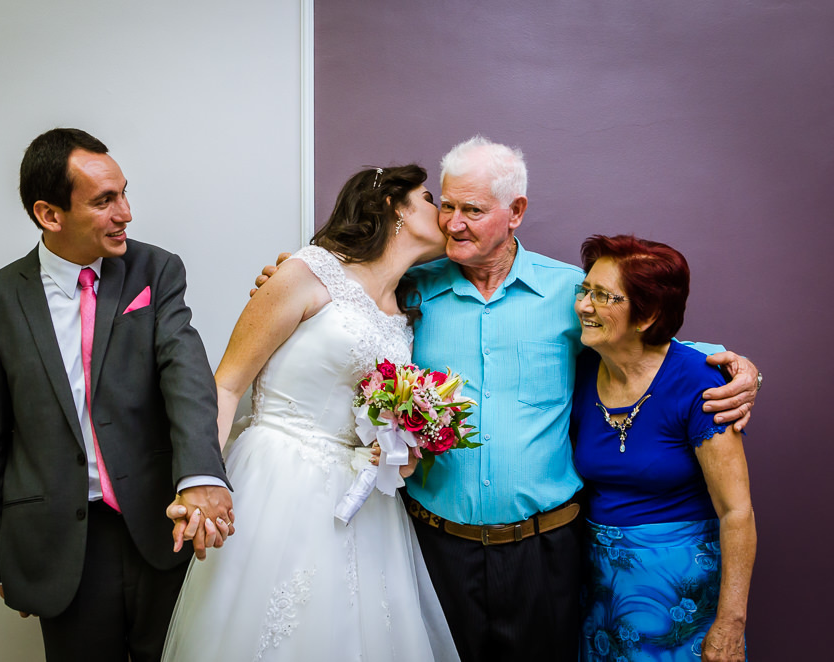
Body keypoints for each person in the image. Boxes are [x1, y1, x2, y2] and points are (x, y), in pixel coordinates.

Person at [252, 136, 759, 661]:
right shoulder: (409, 289)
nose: (452, 222)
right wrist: (286, 279)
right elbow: (342, 304)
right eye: (446, 205)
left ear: (515, 211)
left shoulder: (570, 293)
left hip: (547, 549)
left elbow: (641, 341)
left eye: (471, 210)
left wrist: (735, 365)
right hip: (434, 545)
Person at [0, 128, 233, 662]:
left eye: (124, 193)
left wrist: (200, 474)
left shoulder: (157, 270)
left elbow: (187, 377)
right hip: (61, 546)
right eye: (105, 201)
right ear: (49, 214)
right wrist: (2, 556)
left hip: (160, 527)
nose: (125, 212)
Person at [162, 165, 460, 661]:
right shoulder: (307, 271)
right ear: (394, 206)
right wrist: (198, 482)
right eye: (431, 199)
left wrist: (398, 448)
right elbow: (228, 385)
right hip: (280, 478)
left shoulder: (403, 308)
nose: (445, 214)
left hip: (365, 501)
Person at [571, 235, 754, 661]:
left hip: (682, 594)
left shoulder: (699, 383)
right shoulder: (582, 370)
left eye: (602, 296)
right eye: (585, 291)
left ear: (647, 314)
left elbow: (737, 512)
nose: (583, 305)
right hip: (604, 590)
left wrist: (730, 621)